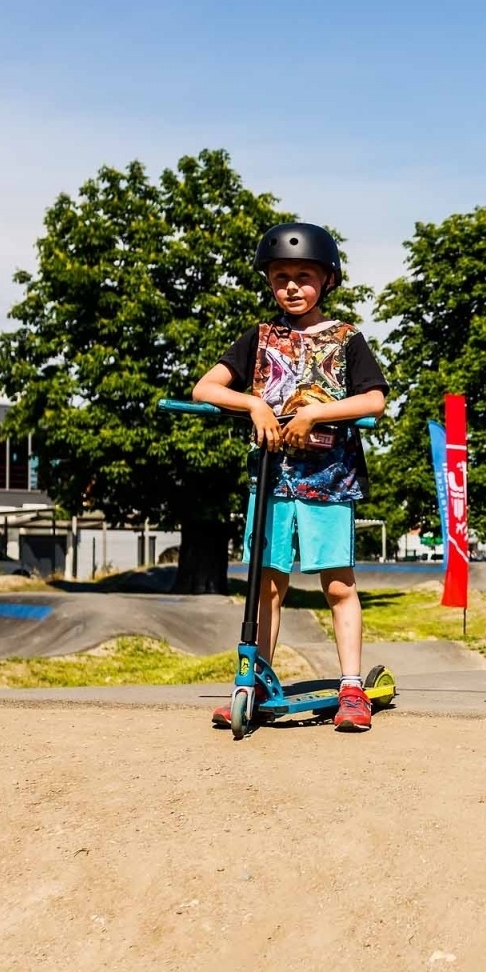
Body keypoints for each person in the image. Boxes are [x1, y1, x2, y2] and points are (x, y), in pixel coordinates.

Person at [193, 223, 389, 732]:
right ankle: (254, 680)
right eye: (281, 277)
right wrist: (253, 401)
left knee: (338, 585)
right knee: (268, 585)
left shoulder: (346, 338)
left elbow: (374, 400)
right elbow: (205, 388)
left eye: (304, 276)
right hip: (271, 480)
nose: (292, 287)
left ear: (327, 280)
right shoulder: (259, 339)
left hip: (330, 480)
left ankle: (351, 688)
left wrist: (316, 415)